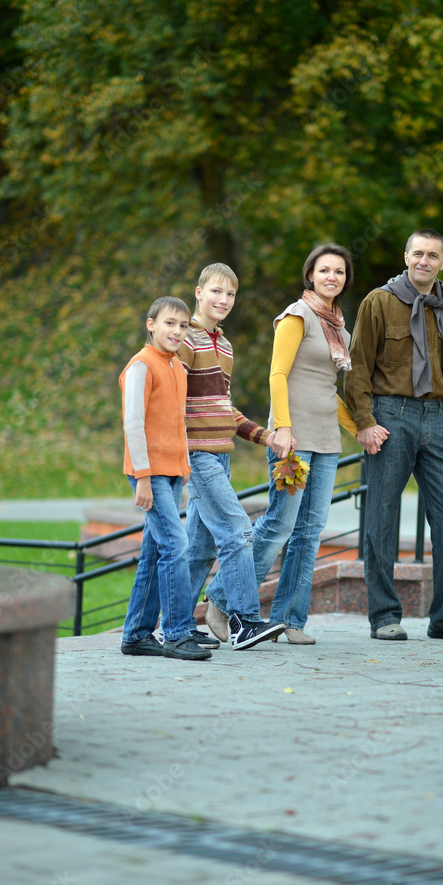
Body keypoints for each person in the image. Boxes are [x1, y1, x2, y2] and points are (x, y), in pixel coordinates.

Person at [204, 244, 357, 644]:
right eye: (324, 270)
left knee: (310, 531)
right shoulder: (297, 315)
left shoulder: (340, 326)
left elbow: (329, 390)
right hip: (293, 438)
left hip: (326, 439)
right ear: (311, 275)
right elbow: (278, 374)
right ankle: (221, 599)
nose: (331, 277)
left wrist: (358, 430)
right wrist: (283, 428)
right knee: (280, 523)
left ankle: (291, 619)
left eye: (339, 272)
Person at [345, 228, 443, 642]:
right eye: (418, 253)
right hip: (390, 417)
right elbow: (357, 368)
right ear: (406, 256)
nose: (424, 260)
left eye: (433, 255)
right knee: (382, 519)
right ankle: (384, 616)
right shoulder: (378, 302)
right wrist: (365, 421)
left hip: (438, 421)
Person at [180, 263, 286, 650]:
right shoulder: (184, 339)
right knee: (239, 530)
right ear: (199, 293)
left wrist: (265, 437)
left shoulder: (224, 346)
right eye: (216, 292)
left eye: (230, 294)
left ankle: (176, 626)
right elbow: (174, 404)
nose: (224, 300)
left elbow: (223, 408)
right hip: (198, 456)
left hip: (221, 456)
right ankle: (244, 621)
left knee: (199, 549)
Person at [119, 296, 212, 661]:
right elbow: (133, 424)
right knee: (177, 546)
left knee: (156, 549)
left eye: (183, 325)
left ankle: (137, 634)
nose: (176, 331)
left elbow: (177, 424)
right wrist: (142, 476)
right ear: (151, 324)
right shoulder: (142, 365)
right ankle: (175, 633)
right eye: (170, 323)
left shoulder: (177, 367)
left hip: (173, 473)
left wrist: (185, 468)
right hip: (150, 473)